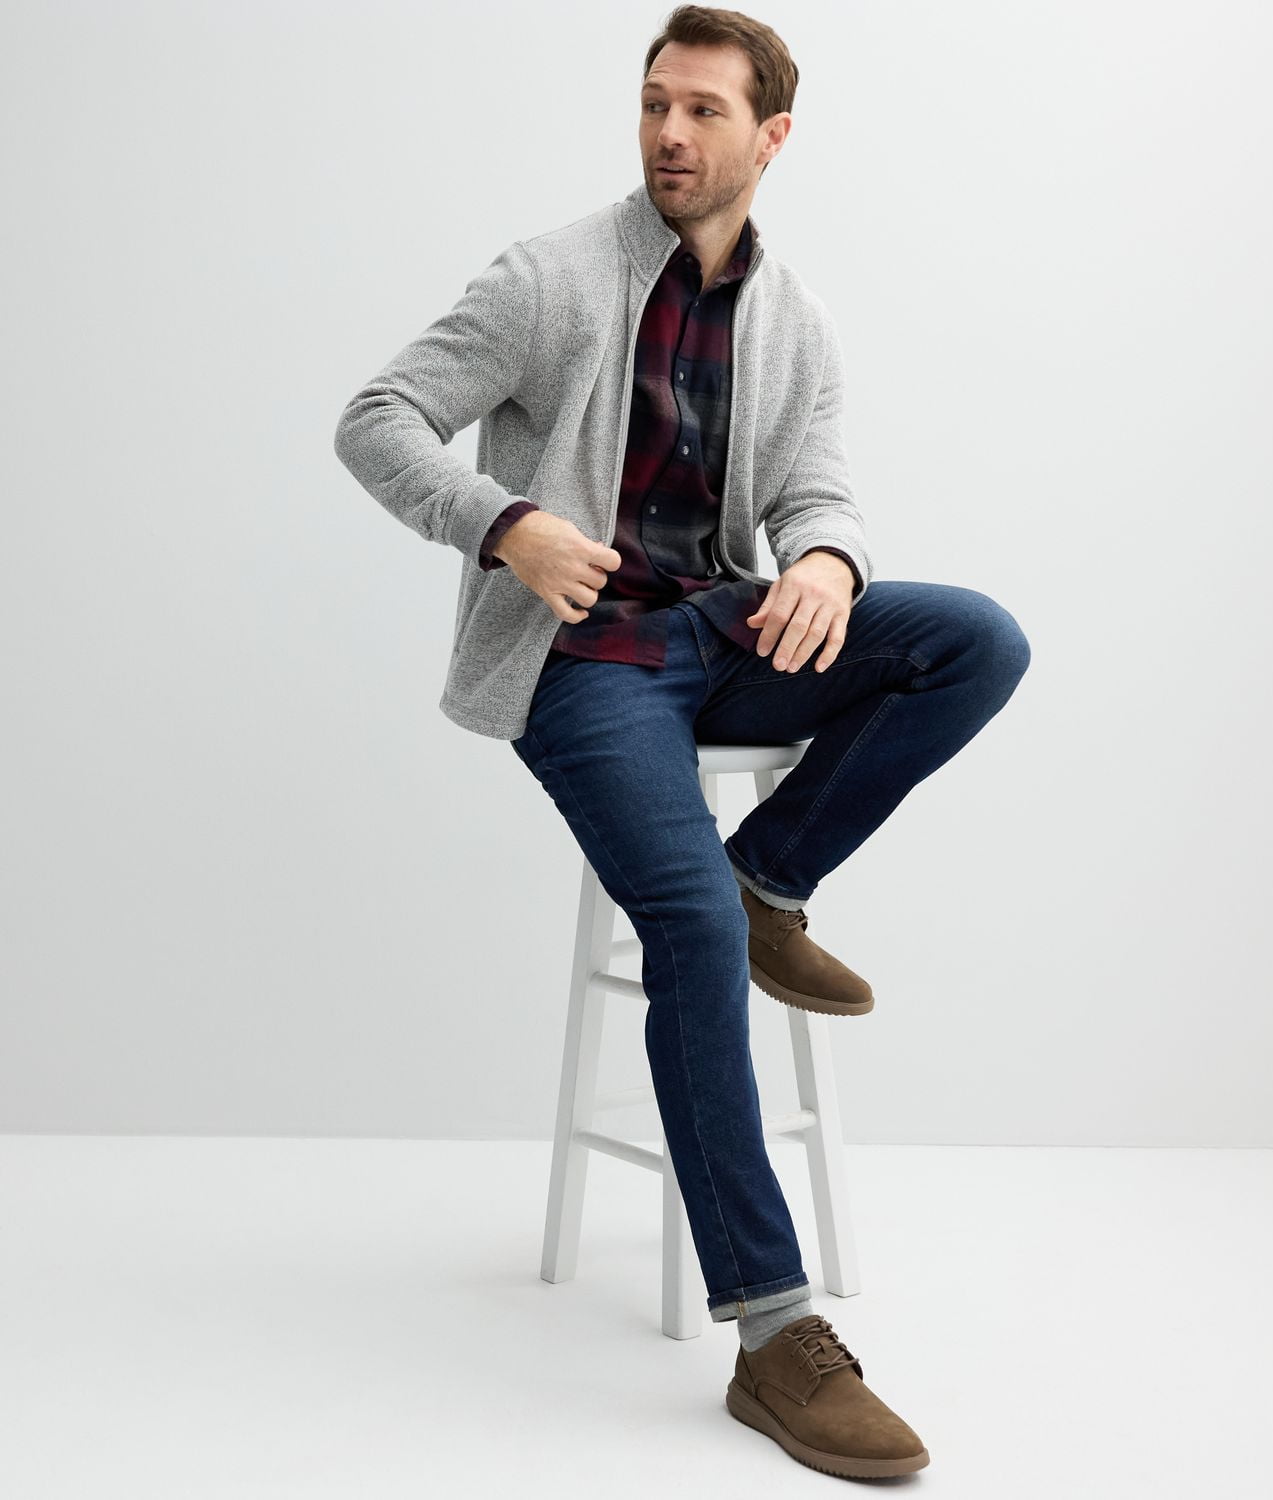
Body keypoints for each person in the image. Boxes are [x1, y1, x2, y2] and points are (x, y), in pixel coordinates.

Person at [334, 4, 1030, 1478]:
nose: (668, 132)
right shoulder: (550, 279)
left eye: (704, 110)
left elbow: (820, 489)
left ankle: (772, 876)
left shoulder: (797, 321)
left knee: (975, 639)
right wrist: (506, 525)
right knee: (688, 929)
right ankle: (775, 1335)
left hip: (719, 632)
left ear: (772, 139)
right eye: (655, 102)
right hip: (583, 664)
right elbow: (378, 418)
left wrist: (827, 560)